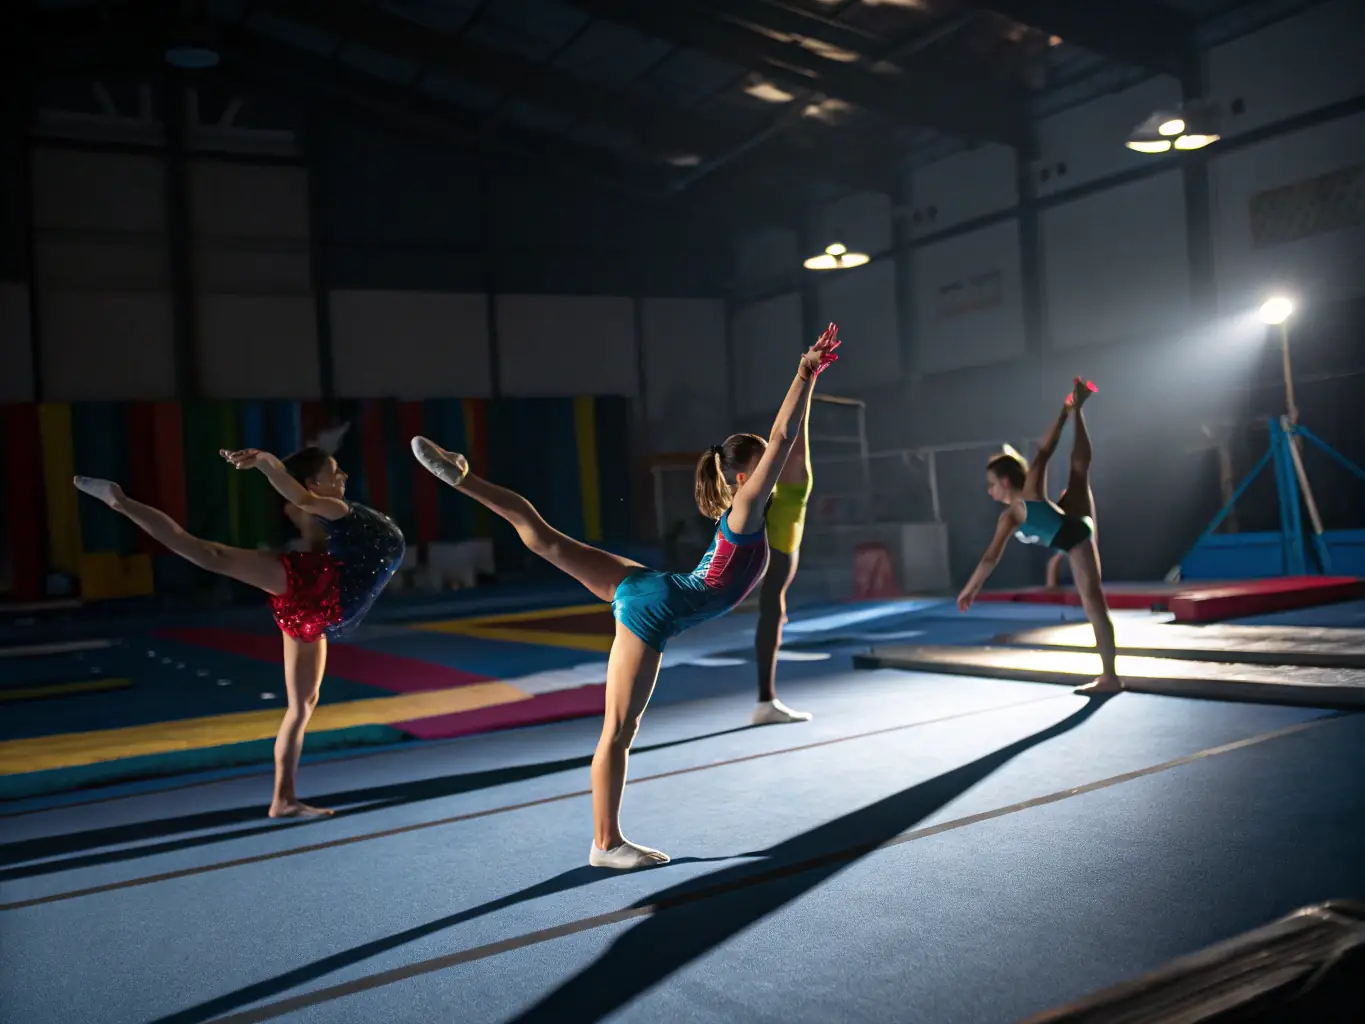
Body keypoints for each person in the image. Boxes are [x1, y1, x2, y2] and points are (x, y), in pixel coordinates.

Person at [411, 324, 843, 870]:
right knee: (619, 730)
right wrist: (802, 374)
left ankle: (463, 477)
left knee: (541, 535)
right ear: (740, 476)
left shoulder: (750, 511)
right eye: (762, 465)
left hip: (647, 584)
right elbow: (780, 439)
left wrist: (805, 385)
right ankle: (606, 844)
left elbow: (785, 444)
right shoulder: (748, 508)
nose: (775, 469)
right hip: (654, 608)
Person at [72, 446, 405, 817]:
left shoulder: (333, 511)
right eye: (335, 471)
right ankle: (121, 502)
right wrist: (267, 463)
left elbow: (300, 500)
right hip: (313, 586)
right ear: (315, 483)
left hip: (321, 610)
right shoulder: (336, 510)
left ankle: (283, 799)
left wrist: (277, 472)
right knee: (209, 555)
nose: (342, 476)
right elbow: (298, 496)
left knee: (302, 706)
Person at [956, 378, 1120, 695]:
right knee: (1077, 471)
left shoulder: (1027, 495)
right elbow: (990, 557)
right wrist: (970, 589)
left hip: (1075, 537)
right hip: (1067, 517)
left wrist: (1065, 410)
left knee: (1094, 606)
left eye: (991, 484)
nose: (989, 491)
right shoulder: (1009, 517)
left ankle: (1111, 677)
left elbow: (1044, 451)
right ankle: (1080, 408)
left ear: (1005, 481)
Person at [751, 383, 816, 726]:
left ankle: (766, 701)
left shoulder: (774, 495)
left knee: (773, 611)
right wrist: (808, 378)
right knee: (771, 612)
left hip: (769, 566)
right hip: (773, 562)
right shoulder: (791, 490)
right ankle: (765, 701)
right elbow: (791, 432)